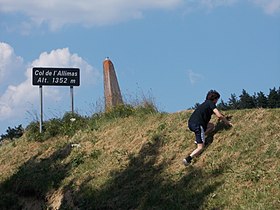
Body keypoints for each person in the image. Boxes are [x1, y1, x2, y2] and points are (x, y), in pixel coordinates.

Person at [183, 90, 232, 166]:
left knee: (211, 126)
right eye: (217, 100)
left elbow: (217, 114)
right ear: (214, 99)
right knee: (200, 147)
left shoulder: (205, 104)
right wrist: (227, 123)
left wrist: (223, 116)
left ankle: (199, 139)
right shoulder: (211, 103)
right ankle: (188, 159)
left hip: (191, 123)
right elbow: (218, 115)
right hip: (198, 125)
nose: (216, 102)